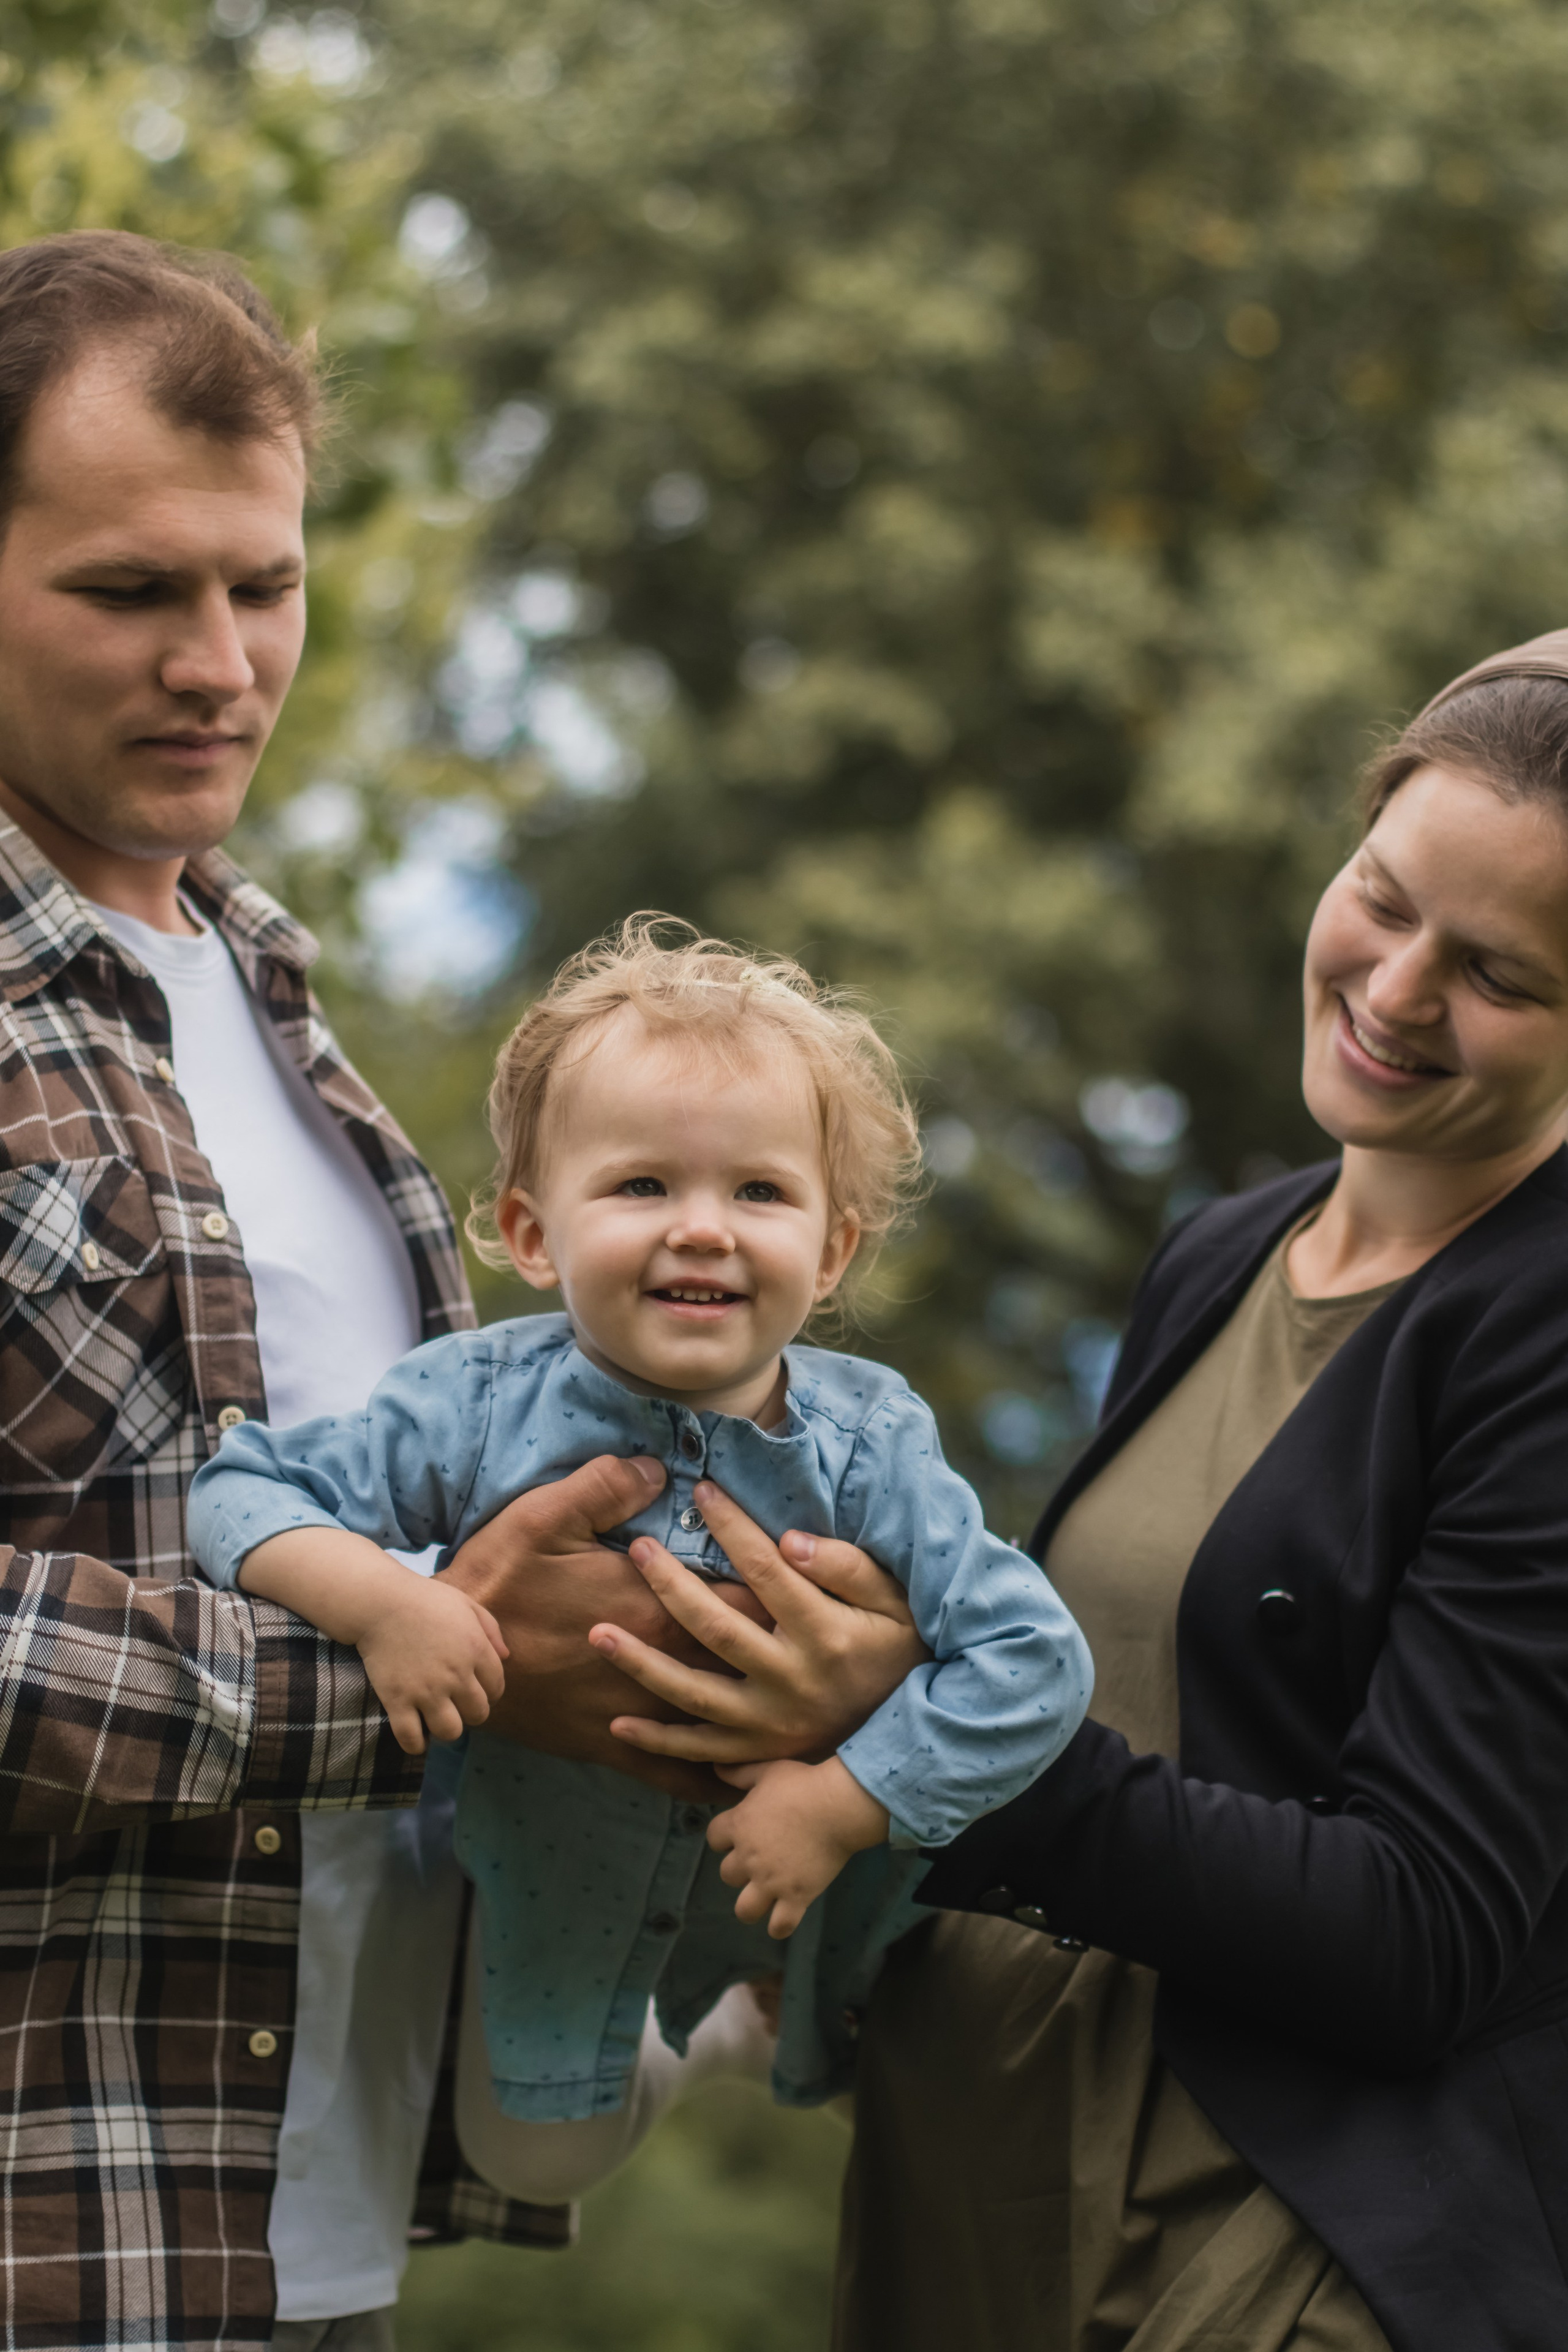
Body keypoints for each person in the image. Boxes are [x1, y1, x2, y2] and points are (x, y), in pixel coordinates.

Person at [0, 229, 926, 2352]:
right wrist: (403, 1680)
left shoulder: (258, 985)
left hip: (286, 2211)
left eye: (267, 584)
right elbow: (450, 1632)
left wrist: (760, 1659)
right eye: (130, 591)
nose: (220, 661)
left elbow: (491, 1527)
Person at [590, 630, 1568, 2351]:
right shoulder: (1225, 1252)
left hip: (1253, 2249)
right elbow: (1100, 1704)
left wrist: (918, 1747)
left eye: (1502, 972)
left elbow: (1423, 1930)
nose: (1400, 989)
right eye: (1386, 896)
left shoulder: (1539, 1333)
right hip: (970, 2189)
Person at [184, 918, 1095, 2201]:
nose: (704, 1230)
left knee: (891, 2065)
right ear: (534, 1232)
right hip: (557, 1878)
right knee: (532, 2163)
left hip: (808, 1896)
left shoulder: (869, 1444)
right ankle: (685, 2030)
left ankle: (762, 2017)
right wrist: (387, 1599)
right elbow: (237, 1491)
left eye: (759, 1193)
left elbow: (1035, 1660)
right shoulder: (476, 1403)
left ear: (831, 1250)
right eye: (642, 1186)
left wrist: (841, 1802)